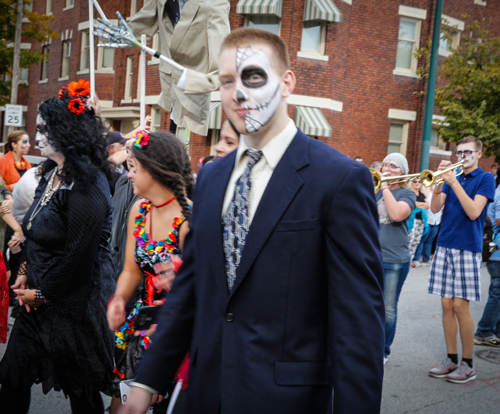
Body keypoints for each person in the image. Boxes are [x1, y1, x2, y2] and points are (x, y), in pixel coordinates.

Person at [120, 27, 385, 414]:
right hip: (205, 397)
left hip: (287, 402)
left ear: (287, 82)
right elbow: (191, 290)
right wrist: (147, 381)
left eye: (253, 77)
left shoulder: (339, 180)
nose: (238, 93)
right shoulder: (210, 179)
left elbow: (358, 323)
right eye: (227, 81)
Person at [0, 80, 116, 413]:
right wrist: (24, 270)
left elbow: (80, 258)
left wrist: (43, 294)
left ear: (67, 131)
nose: (36, 136)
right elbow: (33, 230)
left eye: (44, 129)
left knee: (80, 392)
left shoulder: (89, 186)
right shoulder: (50, 174)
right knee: (12, 377)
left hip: (73, 307)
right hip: (36, 304)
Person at [107, 130, 193, 414]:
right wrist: (119, 298)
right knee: (121, 404)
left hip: (177, 330)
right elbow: (131, 271)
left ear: (154, 172)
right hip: (142, 323)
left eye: (133, 168)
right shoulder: (139, 211)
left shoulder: (188, 221)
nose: (128, 175)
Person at [428, 136, 496, 384]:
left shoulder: (485, 178)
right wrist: (437, 183)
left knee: (460, 306)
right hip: (445, 244)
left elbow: (474, 211)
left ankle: (468, 364)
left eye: (468, 152)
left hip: (467, 247)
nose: (462, 156)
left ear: (479, 154)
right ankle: (451, 359)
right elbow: (435, 208)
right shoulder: (450, 176)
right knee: (446, 305)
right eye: (459, 152)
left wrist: (453, 182)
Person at [376, 153, 416, 364]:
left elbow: (397, 215)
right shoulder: (375, 190)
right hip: (372, 257)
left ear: (402, 173)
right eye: (385, 164)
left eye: (393, 166)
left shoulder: (406, 193)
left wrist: (384, 187)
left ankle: (383, 351)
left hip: (394, 260)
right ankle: (368, 345)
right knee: (369, 306)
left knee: (388, 308)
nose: (387, 168)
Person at [474, 182, 500, 346]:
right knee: (497, 293)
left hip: (494, 250)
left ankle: (495, 331)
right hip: (497, 252)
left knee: (496, 292)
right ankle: (484, 331)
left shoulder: (496, 190)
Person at [413, 187, 442, 265]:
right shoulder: (426, 190)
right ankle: (416, 258)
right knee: (421, 240)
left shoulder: (441, 192)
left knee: (429, 241)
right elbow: (424, 198)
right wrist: (429, 187)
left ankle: (426, 259)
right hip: (427, 220)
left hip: (436, 220)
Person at [408, 178, 429, 268]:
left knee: (416, 241)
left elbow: (428, 205)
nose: (417, 183)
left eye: (419, 181)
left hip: (421, 221)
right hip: (412, 220)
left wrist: (417, 204)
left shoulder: (421, 194)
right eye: (415, 181)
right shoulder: (409, 193)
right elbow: (412, 203)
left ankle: (410, 260)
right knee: (410, 240)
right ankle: (407, 261)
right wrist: (421, 204)